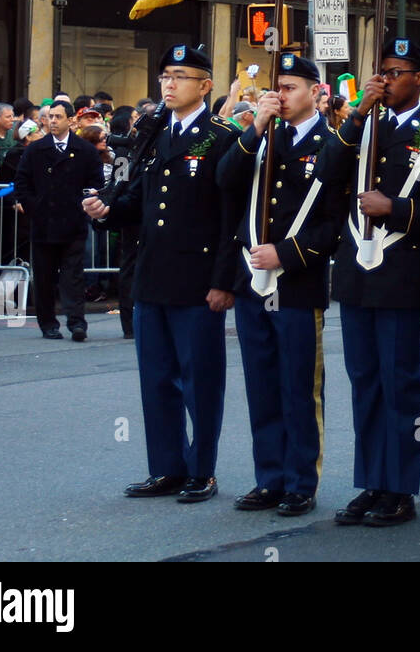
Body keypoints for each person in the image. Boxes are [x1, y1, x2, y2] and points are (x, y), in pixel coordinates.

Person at [84, 44, 240, 501]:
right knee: (156, 378)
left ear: (205, 86)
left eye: (181, 76)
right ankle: (166, 466)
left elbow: (231, 218)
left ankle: (202, 469)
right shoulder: (153, 134)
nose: (169, 85)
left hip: (197, 277)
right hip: (152, 274)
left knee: (200, 380)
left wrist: (223, 280)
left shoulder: (221, 136)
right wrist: (105, 210)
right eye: (166, 76)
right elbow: (139, 199)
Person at [324, 37, 420, 528]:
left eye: (397, 72)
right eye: (382, 71)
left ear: (419, 78)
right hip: (357, 275)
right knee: (365, 384)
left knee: (400, 386)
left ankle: (400, 487)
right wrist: (357, 115)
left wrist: (394, 209)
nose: (387, 79)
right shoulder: (360, 128)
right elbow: (327, 175)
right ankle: (372, 481)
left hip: (401, 275)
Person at [217, 52, 346, 517]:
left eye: (292, 87)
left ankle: (300, 482)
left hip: (296, 283)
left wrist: (286, 255)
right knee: (262, 385)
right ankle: (268, 478)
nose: (282, 95)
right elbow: (225, 180)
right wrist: (254, 128)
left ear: (316, 92)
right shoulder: (260, 137)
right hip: (254, 281)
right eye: (279, 87)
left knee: (298, 387)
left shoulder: (332, 145)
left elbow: (334, 224)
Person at [14, 99, 104, 340]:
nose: (53, 121)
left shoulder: (85, 151)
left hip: (73, 223)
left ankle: (77, 323)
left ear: (70, 120)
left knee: (73, 276)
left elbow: (96, 183)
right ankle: (48, 323)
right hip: (43, 224)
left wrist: (85, 205)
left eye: (58, 117)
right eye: (50, 117)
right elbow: (22, 183)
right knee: (44, 277)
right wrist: (35, 207)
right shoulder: (35, 149)